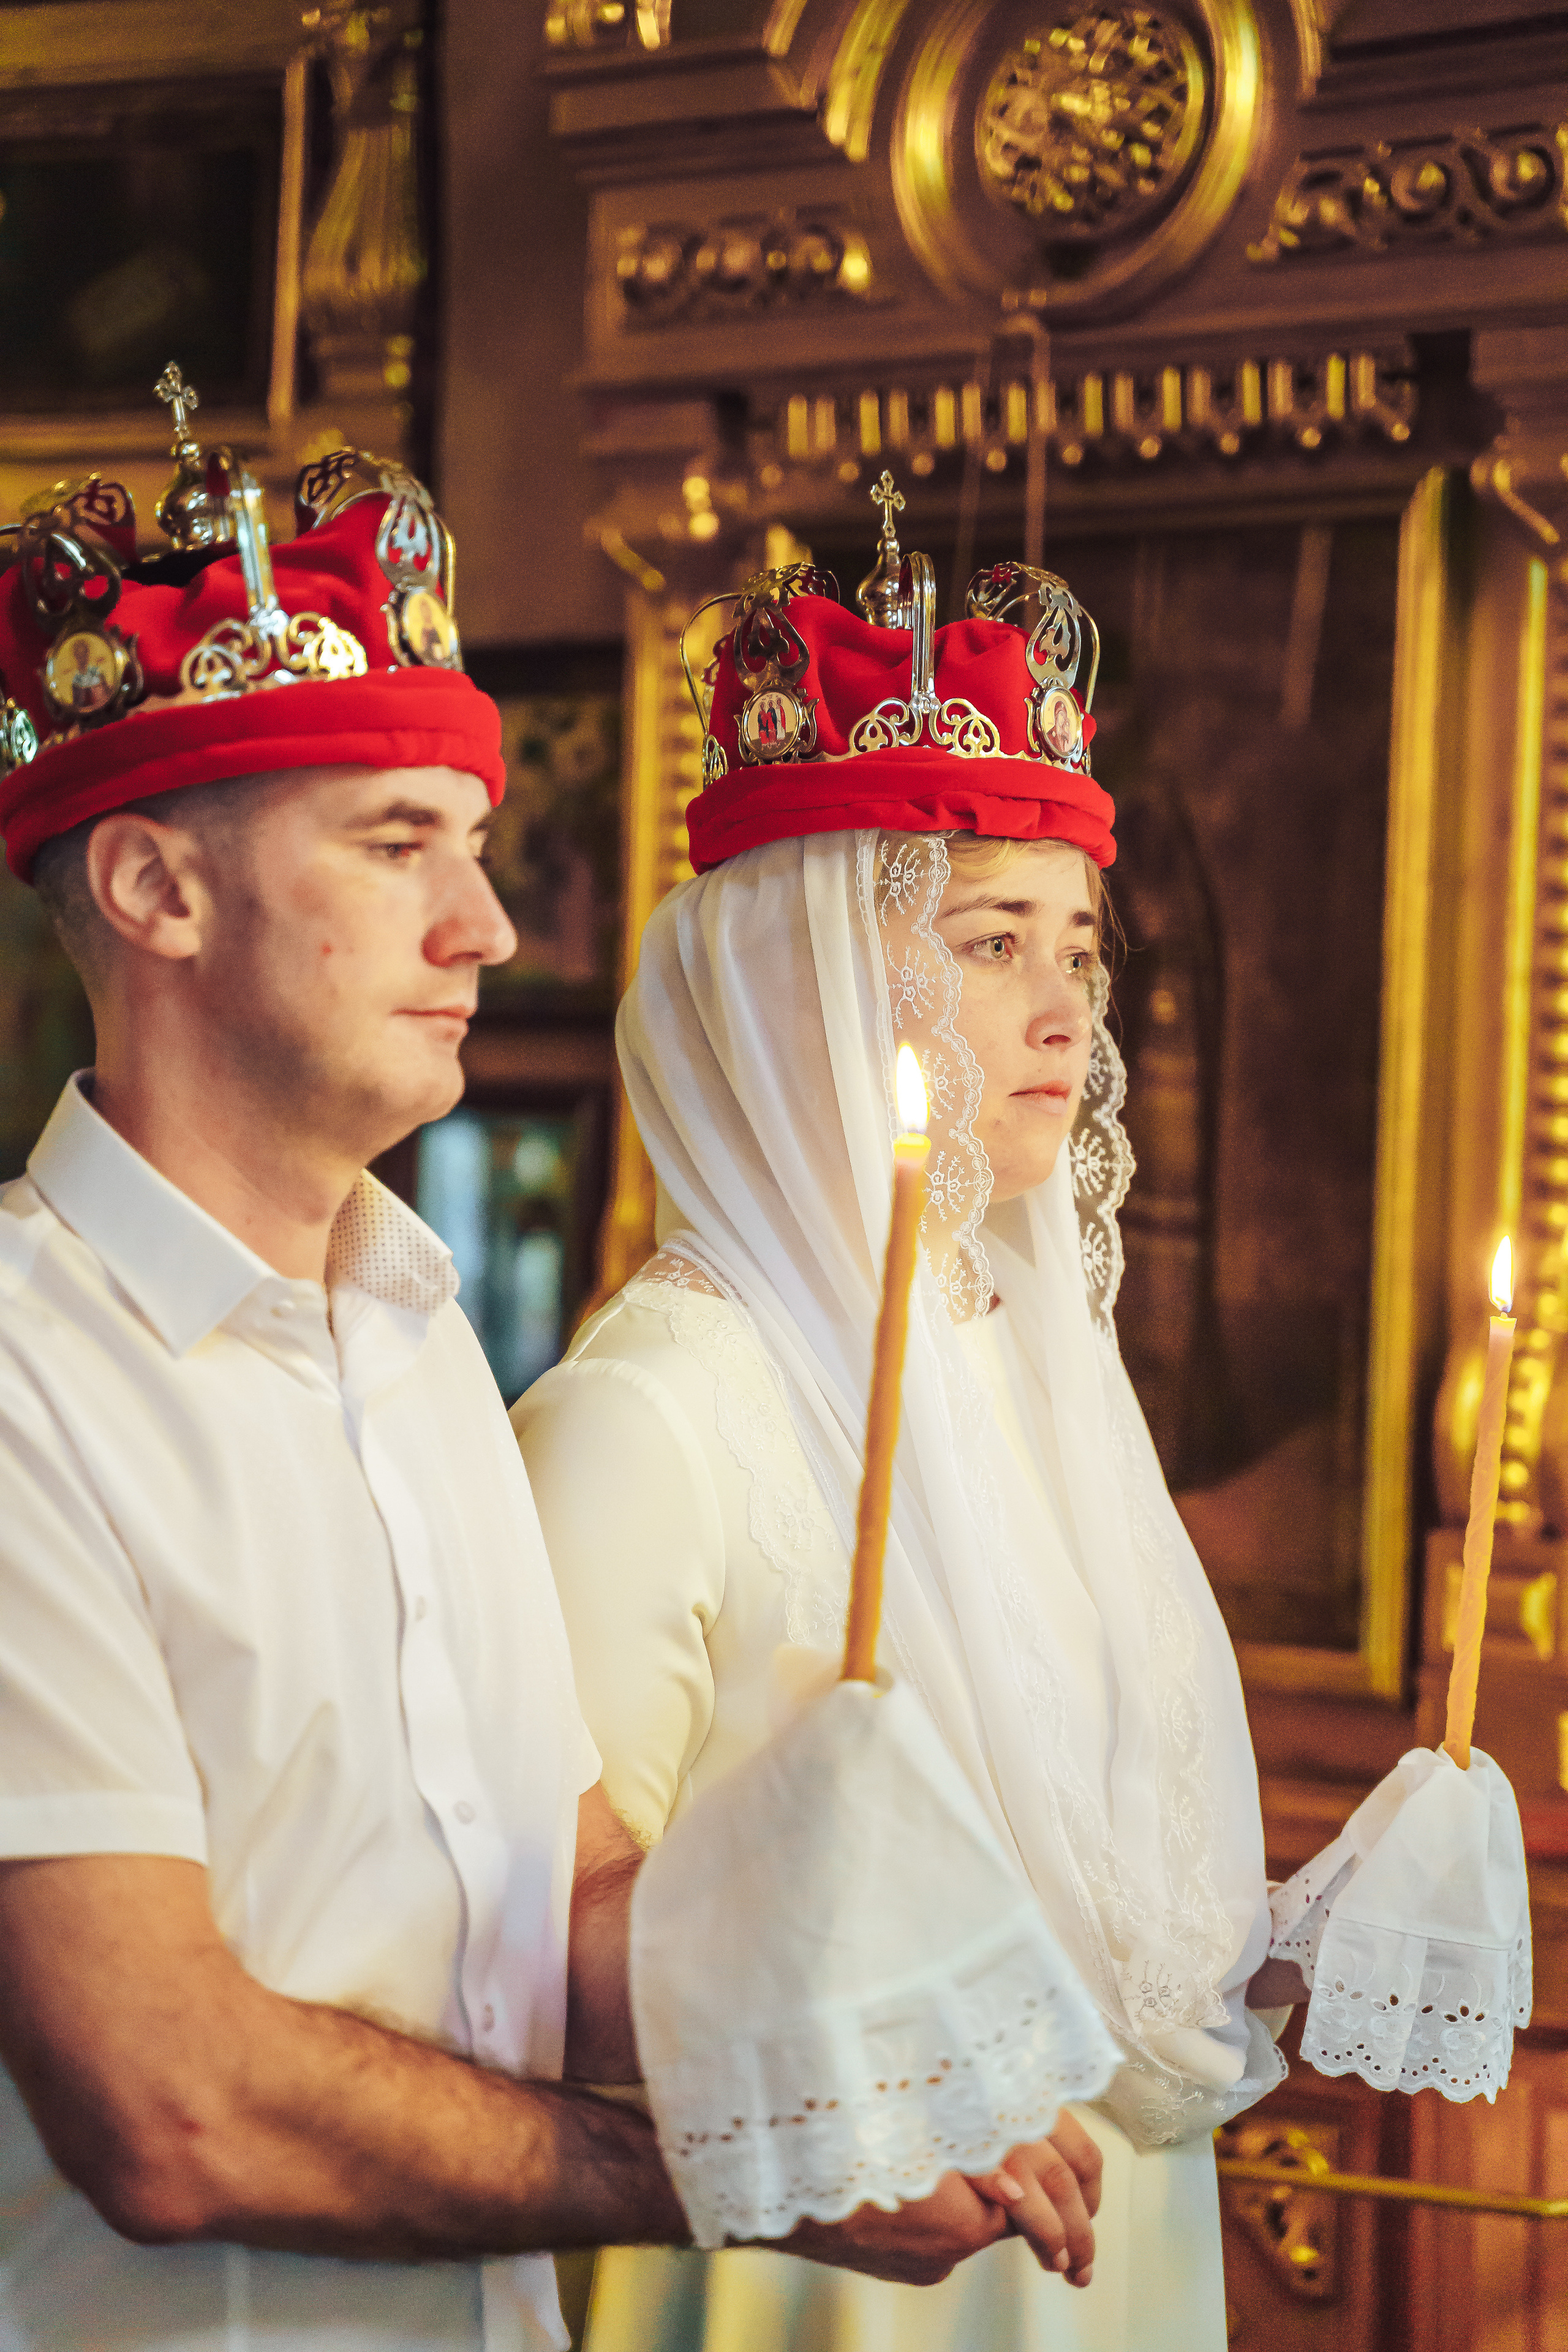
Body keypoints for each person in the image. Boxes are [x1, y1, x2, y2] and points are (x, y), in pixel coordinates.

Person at [0, 453, 1085, 2352]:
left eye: (477, 844)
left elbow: (567, 1902)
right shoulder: (30, 1373)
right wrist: (740, 2170)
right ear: (156, 887)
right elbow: (167, 2107)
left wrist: (875, 2049)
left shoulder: (419, 1341)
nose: (489, 925)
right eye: (397, 844)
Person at [513, 535, 1302, 2352]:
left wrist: (1330, 1924)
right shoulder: (647, 1419)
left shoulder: (1027, 1371)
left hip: (1107, 2254)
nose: (1063, 1010)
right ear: (805, 988)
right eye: (989, 942)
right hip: (826, 2280)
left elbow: (1085, 1879)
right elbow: (537, 1967)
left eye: (1078, 949)